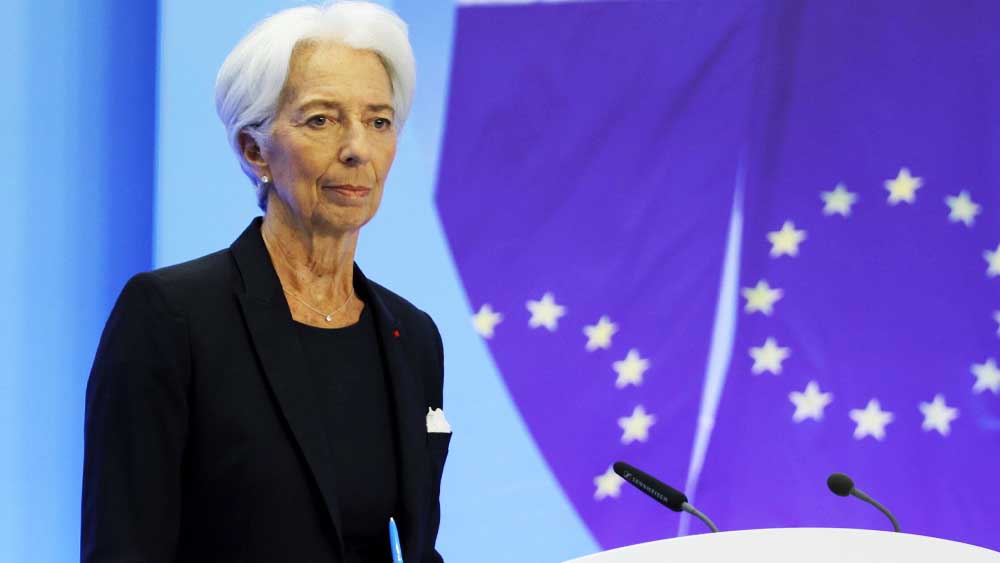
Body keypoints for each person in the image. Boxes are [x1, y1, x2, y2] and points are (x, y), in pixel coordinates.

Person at [81, 2, 449, 561]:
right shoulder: (172, 318)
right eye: (321, 119)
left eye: (378, 121)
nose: (358, 149)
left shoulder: (412, 336)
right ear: (254, 150)